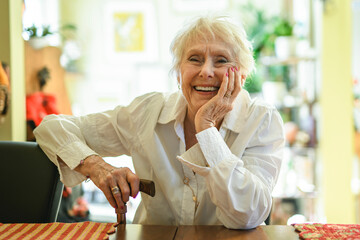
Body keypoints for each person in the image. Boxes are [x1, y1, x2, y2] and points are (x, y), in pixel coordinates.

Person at [34, 16, 285, 229]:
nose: (206, 71)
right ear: (178, 73)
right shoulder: (148, 112)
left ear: (240, 75)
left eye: (221, 61)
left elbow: (248, 215)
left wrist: (207, 128)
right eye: (194, 59)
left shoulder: (262, 120)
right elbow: (51, 128)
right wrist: (98, 168)